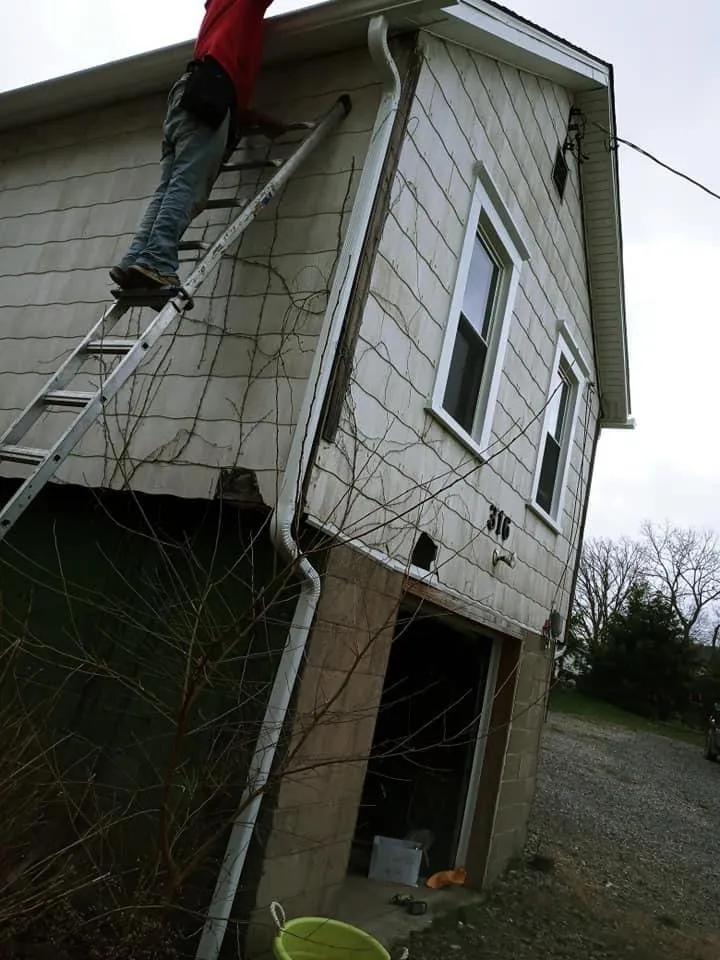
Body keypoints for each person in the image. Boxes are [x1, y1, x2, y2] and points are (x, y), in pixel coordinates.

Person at [111, 0, 287, 292]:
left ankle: (136, 258)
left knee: (169, 186)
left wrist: (257, 120)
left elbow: (231, 86)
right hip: (210, 89)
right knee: (186, 185)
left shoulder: (221, 9)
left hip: (189, 91)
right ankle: (155, 261)